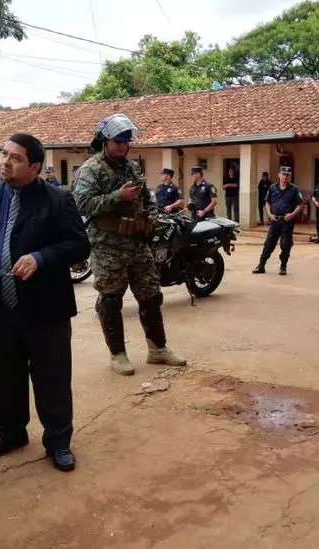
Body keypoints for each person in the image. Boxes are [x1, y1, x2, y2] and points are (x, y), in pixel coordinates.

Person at [0, 134, 89, 472]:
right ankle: (10, 432)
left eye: (15, 158)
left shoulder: (57, 199)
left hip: (45, 307)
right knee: (4, 374)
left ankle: (58, 441)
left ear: (35, 167)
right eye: (4, 154)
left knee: (52, 377)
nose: (5, 162)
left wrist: (41, 258)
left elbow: (79, 244)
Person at [73, 113, 186, 376]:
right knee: (111, 299)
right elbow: (82, 204)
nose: (123, 146)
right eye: (117, 141)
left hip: (137, 241)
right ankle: (118, 354)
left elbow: (147, 197)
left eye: (126, 141)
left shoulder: (132, 168)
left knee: (151, 294)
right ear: (104, 141)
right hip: (107, 244)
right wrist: (117, 196)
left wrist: (152, 216)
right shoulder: (91, 169)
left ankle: (157, 349)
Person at [252, 166, 303, 276]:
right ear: (279, 175)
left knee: (285, 244)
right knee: (268, 244)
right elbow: (267, 202)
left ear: (290, 176)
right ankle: (261, 265)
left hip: (287, 222)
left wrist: (292, 215)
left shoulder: (294, 189)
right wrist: (269, 214)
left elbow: (300, 205)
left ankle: (283, 266)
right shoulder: (272, 187)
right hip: (275, 221)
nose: (285, 177)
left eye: (288, 175)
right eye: (283, 174)